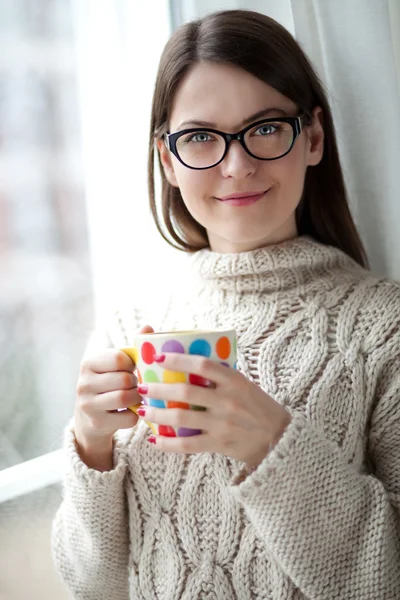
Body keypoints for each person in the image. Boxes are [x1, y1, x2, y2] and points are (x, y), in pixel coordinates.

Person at [51, 8, 400, 600]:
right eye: (201, 137)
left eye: (265, 128)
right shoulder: (128, 320)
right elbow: (90, 583)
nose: (237, 166)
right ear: (168, 158)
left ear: (312, 137)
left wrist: (272, 445)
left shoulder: (382, 326)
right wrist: (90, 448)